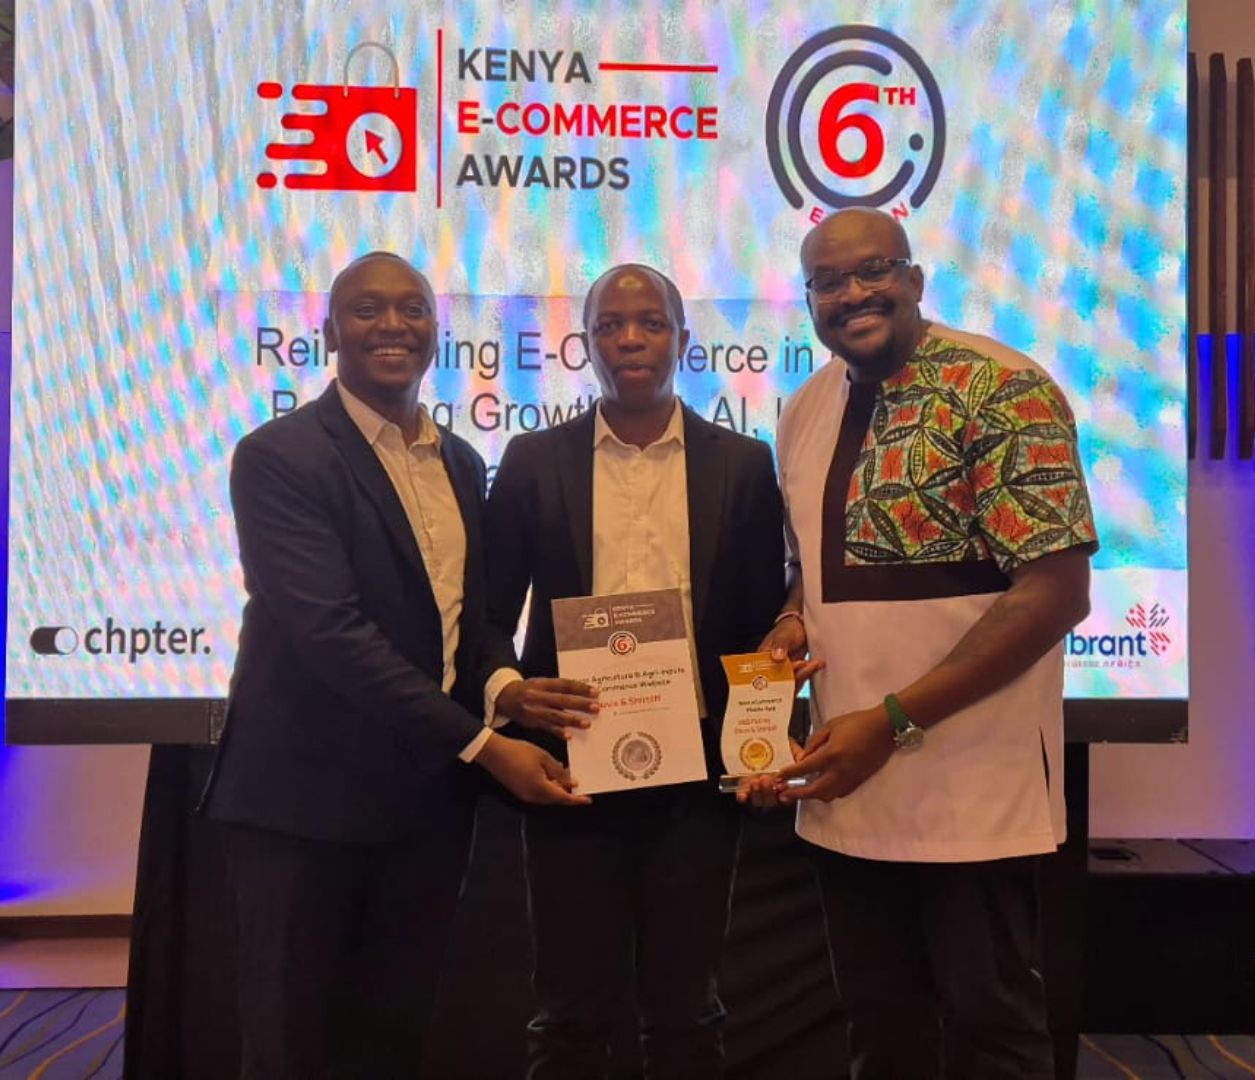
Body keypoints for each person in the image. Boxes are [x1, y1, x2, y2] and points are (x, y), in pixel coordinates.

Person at [201, 251, 592, 1080]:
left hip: (425, 807)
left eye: (412, 309)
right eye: (367, 309)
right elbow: (331, 633)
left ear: (435, 332)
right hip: (303, 807)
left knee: (394, 1039)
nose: (392, 326)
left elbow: (469, 623)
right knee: (292, 1047)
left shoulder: (461, 461)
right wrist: (484, 747)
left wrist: (506, 687)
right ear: (329, 332)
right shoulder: (279, 456)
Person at [755, 208, 1098, 1080]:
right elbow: (810, 569)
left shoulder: (1003, 387)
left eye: (874, 270)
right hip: (847, 787)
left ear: (914, 278)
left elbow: (1056, 592)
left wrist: (894, 720)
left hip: (972, 788)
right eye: (829, 282)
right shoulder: (803, 410)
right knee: (881, 1029)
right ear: (808, 300)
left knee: (991, 1028)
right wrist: (793, 622)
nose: (853, 294)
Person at [484, 263, 785, 1079]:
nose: (630, 339)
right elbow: (486, 618)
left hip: (696, 784)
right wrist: (508, 690)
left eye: (650, 323)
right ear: (585, 345)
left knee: (688, 1014)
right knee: (569, 1015)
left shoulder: (743, 465)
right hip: (570, 770)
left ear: (682, 340)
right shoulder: (532, 460)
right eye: (610, 326)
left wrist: (762, 745)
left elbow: (762, 628)